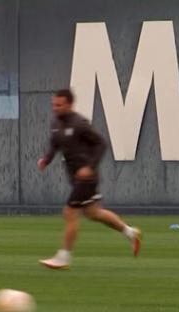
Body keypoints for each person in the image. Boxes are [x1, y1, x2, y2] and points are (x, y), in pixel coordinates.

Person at [37, 88, 141, 269]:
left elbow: (101, 144)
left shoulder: (80, 124)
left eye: (59, 105)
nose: (55, 108)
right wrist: (46, 159)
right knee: (94, 213)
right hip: (75, 177)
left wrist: (90, 167)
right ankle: (130, 232)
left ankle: (64, 257)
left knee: (70, 212)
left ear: (69, 104)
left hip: (87, 178)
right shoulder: (56, 123)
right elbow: (55, 144)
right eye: (54, 104)